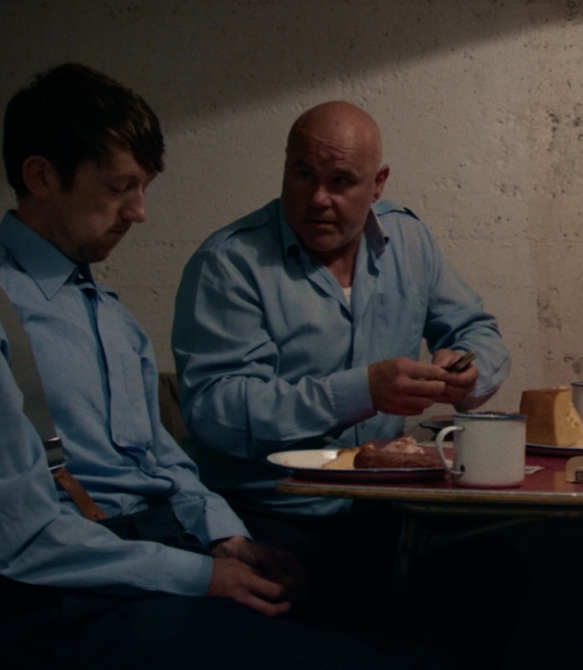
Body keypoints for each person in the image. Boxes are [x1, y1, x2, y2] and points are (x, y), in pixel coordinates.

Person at [0, 63, 388, 670]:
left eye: (143, 187)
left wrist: (226, 538)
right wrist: (198, 576)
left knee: (408, 621)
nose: (139, 212)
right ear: (41, 176)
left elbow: (160, 459)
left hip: (157, 562)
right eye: (120, 187)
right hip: (64, 602)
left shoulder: (107, 313)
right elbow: (7, 531)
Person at [170, 100, 509, 517]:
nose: (318, 199)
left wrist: (469, 372)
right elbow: (215, 411)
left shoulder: (408, 240)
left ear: (378, 184)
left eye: (341, 181)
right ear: (285, 168)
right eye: (304, 175)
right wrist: (359, 393)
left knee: (514, 546)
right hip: (270, 511)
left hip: (384, 505)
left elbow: (477, 331)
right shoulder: (230, 263)